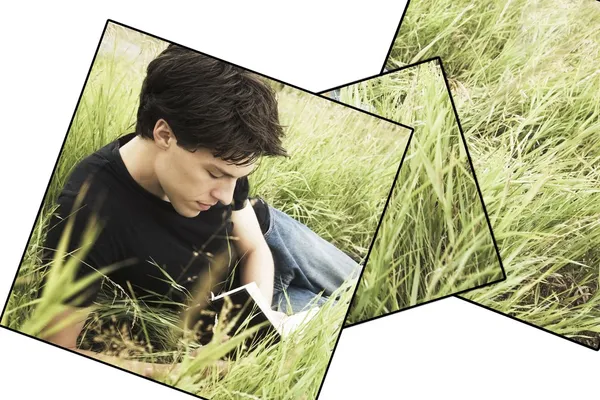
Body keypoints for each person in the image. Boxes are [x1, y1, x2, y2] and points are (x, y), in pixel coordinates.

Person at [38, 44, 360, 377]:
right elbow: (56, 348)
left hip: (268, 251)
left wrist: (254, 317)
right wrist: (192, 370)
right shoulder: (88, 210)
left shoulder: (226, 163)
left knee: (365, 292)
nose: (225, 196)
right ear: (164, 134)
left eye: (238, 177)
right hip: (212, 314)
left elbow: (253, 245)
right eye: (215, 174)